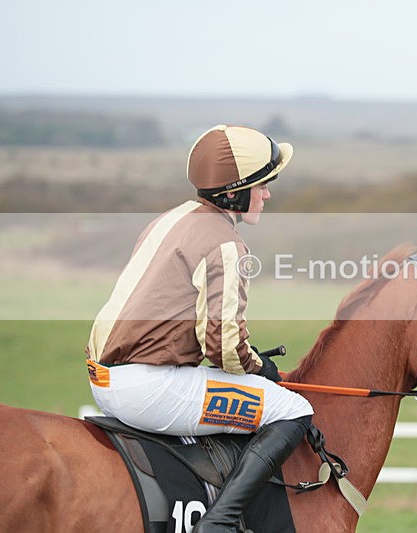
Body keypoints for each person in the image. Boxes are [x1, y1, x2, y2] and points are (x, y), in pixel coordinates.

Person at [85, 124, 313, 532]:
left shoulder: (173, 218)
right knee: (293, 409)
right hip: (148, 388)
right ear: (234, 192)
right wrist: (260, 367)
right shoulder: (227, 244)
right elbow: (224, 349)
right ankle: (219, 523)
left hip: (104, 380)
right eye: (262, 185)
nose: (268, 194)